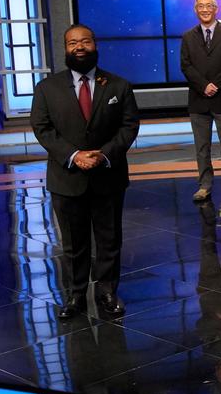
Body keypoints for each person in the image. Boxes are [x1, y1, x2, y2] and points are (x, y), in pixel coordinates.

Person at [31, 23, 140, 319]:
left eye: (85, 41)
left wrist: (103, 156)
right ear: (65, 48)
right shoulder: (47, 88)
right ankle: (75, 296)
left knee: (109, 240)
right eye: (72, 43)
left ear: (95, 45)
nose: (79, 47)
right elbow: (42, 128)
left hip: (108, 176)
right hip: (66, 179)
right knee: (73, 244)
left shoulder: (118, 85)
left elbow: (129, 126)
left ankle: (107, 292)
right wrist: (74, 155)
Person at [180, 0, 221, 203]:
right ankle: (204, 186)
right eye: (201, 6)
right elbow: (186, 66)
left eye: (209, 6)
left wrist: (215, 85)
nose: (205, 9)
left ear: (216, 9)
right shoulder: (188, 37)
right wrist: (204, 85)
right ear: (196, 10)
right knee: (202, 147)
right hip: (198, 100)